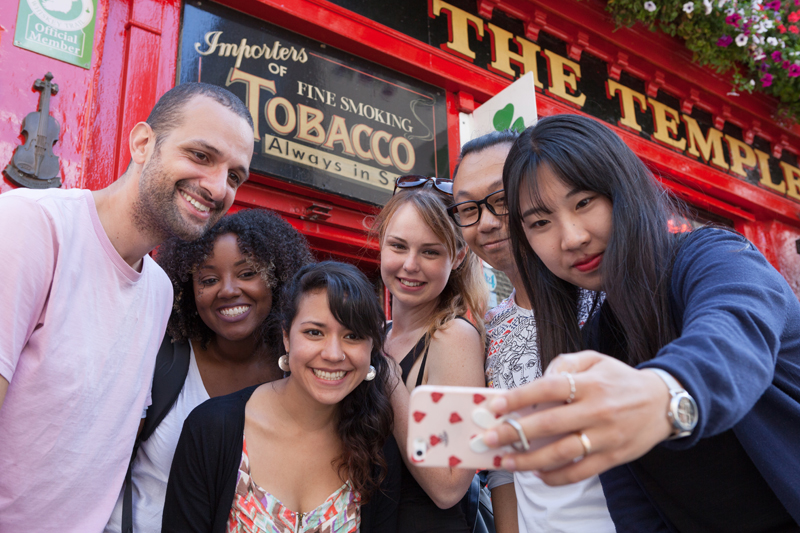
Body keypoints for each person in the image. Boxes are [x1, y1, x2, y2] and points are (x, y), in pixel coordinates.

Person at [481, 114, 800, 530]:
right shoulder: (593, 341)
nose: (572, 236)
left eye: (584, 202)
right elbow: (634, 507)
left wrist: (663, 396)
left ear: (623, 190)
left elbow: (732, 338)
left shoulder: (713, 256)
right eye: (541, 223)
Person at [0, 82, 254, 532]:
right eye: (200, 155)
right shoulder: (32, 225)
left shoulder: (158, 291)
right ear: (142, 143)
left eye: (234, 176)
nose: (218, 187)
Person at [104, 208, 312, 532]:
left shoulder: (301, 374)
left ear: (278, 280)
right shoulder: (163, 359)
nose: (227, 290)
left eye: (247, 273)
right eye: (209, 279)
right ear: (190, 290)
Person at [450, 131, 614, 533]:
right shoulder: (489, 330)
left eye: (501, 201)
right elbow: (505, 468)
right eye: (467, 209)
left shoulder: (605, 296)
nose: (486, 223)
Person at [162, 261, 400, 533]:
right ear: (287, 337)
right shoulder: (211, 428)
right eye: (314, 332)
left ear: (372, 346)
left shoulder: (377, 446)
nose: (334, 354)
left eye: (353, 336)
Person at [374, 179, 488, 532]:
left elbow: (448, 484)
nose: (410, 264)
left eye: (430, 251)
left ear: (457, 256)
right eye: (398, 246)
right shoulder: (379, 335)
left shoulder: (454, 337)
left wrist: (388, 376)